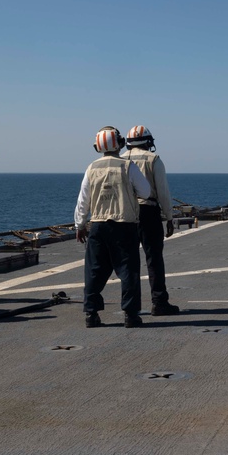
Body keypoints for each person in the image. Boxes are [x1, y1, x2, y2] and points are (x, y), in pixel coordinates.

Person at [74, 126, 153, 328]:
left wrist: (80, 225)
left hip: (98, 226)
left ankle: (91, 314)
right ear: (118, 144)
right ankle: (131, 315)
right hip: (124, 226)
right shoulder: (128, 166)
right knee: (128, 271)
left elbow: (83, 202)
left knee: (94, 271)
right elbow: (145, 192)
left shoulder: (91, 168)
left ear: (98, 146)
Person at [124, 125, 179, 315]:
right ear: (148, 142)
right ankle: (159, 302)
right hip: (149, 212)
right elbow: (163, 192)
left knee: (128, 262)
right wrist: (170, 218)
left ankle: (131, 306)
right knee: (154, 259)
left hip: (127, 214)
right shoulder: (154, 159)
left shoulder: (120, 160)